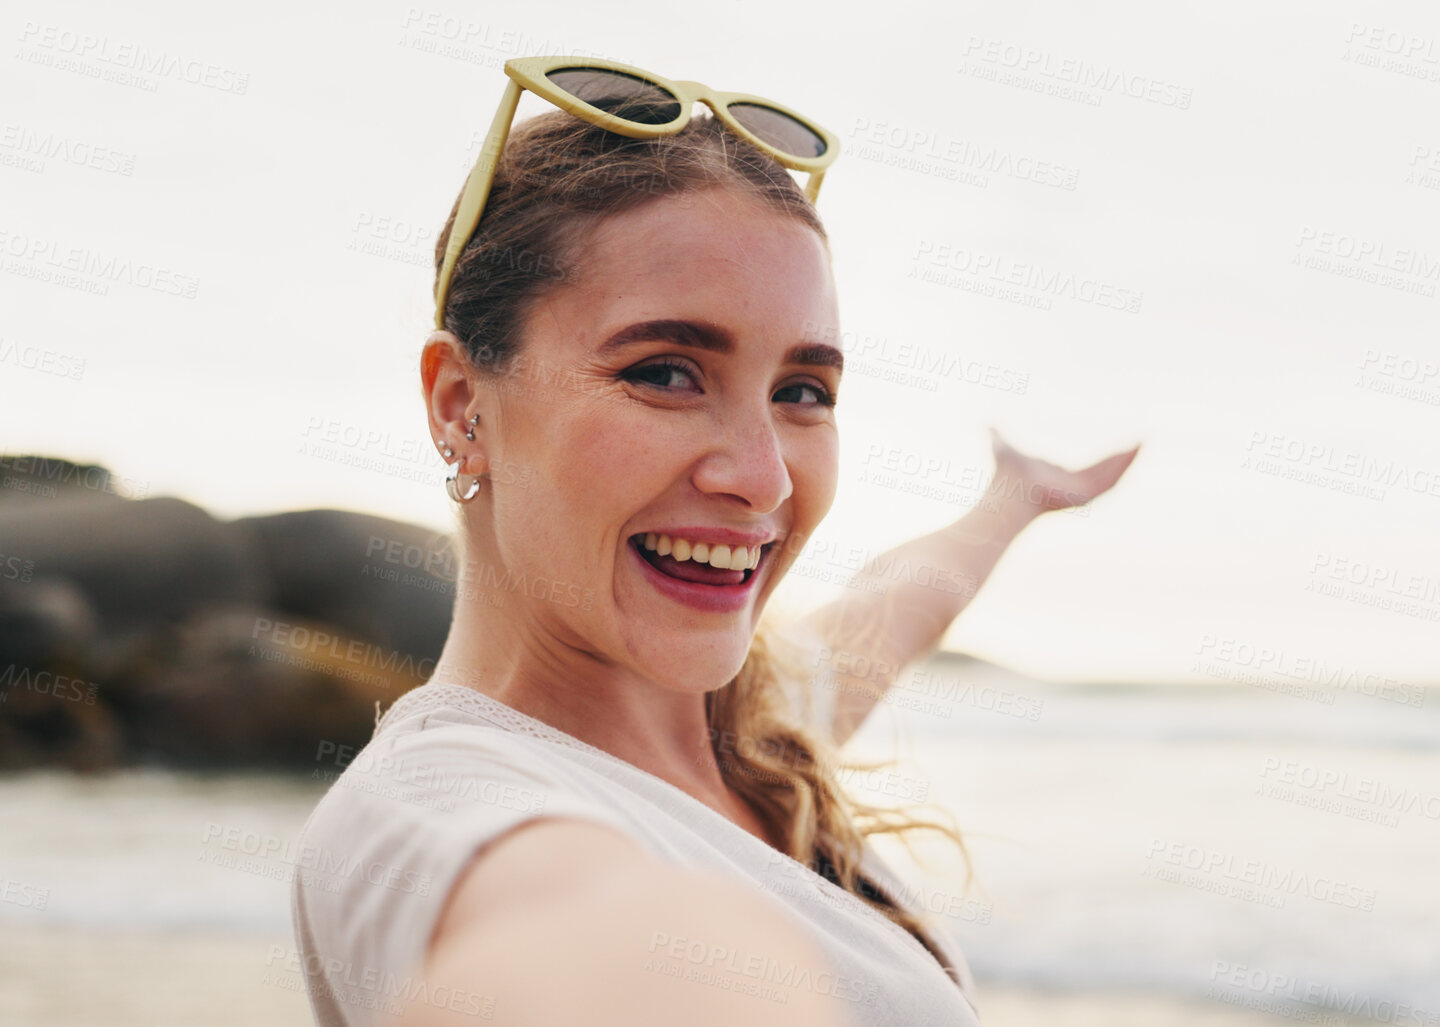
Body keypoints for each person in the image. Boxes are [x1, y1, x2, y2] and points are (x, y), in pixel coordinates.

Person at [287, 58, 1140, 1027]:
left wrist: (1013, 498)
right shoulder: (428, 813)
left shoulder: (747, 737)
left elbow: (895, 605)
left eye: (802, 392)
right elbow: (597, 947)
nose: (764, 475)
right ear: (461, 404)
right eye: (666, 372)